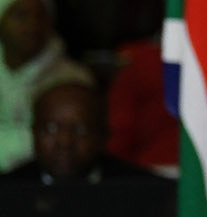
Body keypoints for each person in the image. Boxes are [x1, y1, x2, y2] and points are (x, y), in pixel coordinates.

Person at [1, 70, 150, 183]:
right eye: (51, 129)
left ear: (103, 135)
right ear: (33, 132)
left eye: (80, 130)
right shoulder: (8, 191)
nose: (65, 141)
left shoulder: (140, 190)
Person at [0, 0, 69, 173]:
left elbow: (67, 147)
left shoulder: (71, 79)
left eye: (41, 16)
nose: (33, 25)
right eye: (21, 15)